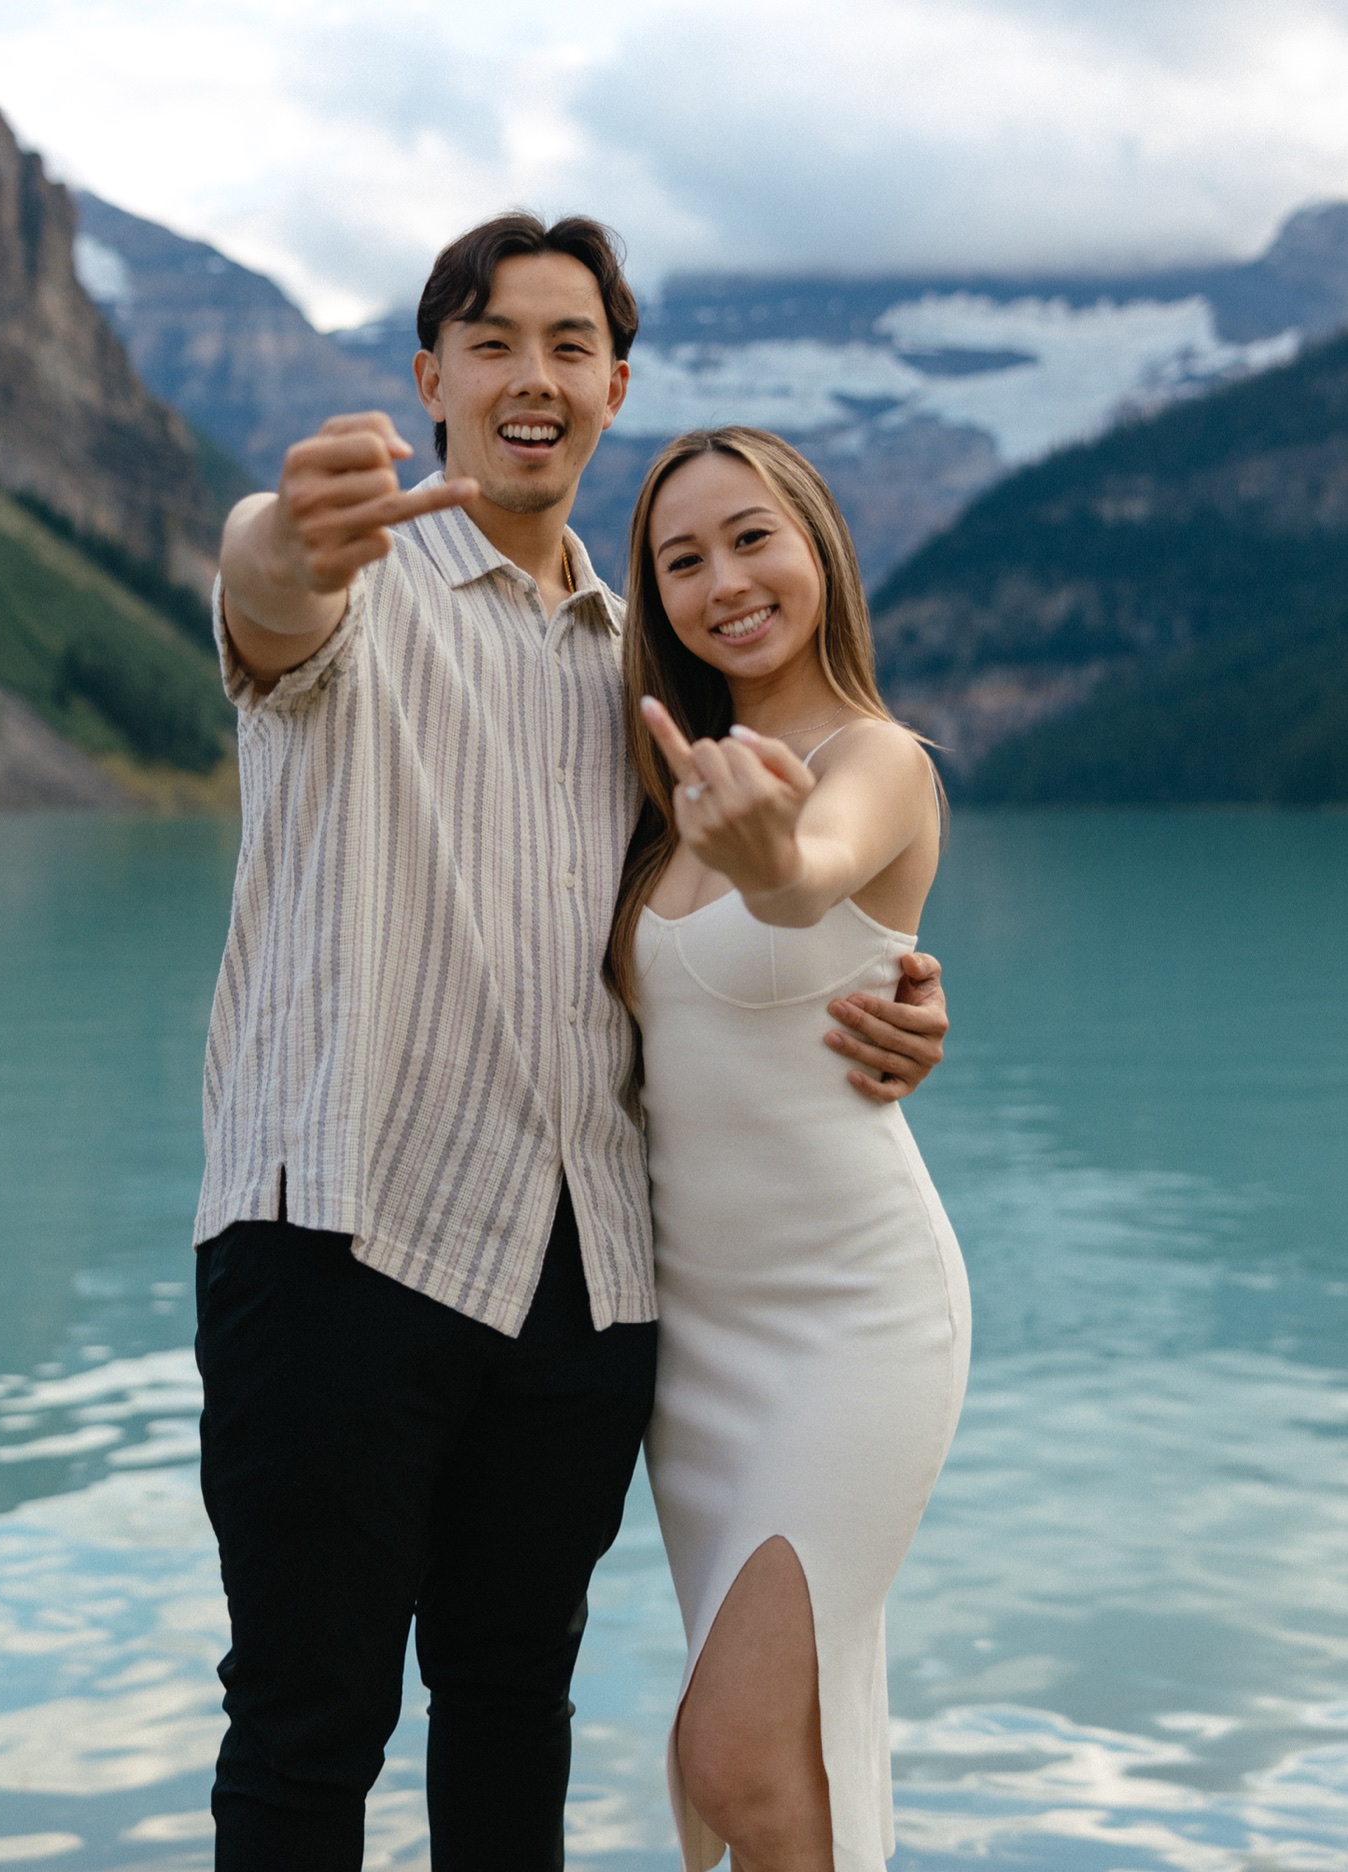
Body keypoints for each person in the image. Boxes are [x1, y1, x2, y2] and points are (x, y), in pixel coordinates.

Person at [193, 213, 951, 1871]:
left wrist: (894, 980)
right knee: (309, 1726)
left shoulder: (645, 680)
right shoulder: (359, 576)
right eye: (491, 342)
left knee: (515, 1709)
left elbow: (773, 906)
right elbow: (266, 589)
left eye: (565, 346)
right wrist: (277, 531)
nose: (529, 376)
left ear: (614, 383)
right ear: (432, 379)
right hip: (338, 1234)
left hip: (586, 1282)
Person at [608, 427, 971, 1872]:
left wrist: (773, 863)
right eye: (681, 559)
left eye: (752, 536)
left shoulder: (873, 761)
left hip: (854, 1315)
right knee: (744, 1788)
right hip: (696, 1351)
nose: (723, 581)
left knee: (738, 1747)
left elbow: (813, 872)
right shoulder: (658, 786)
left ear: (818, 543)